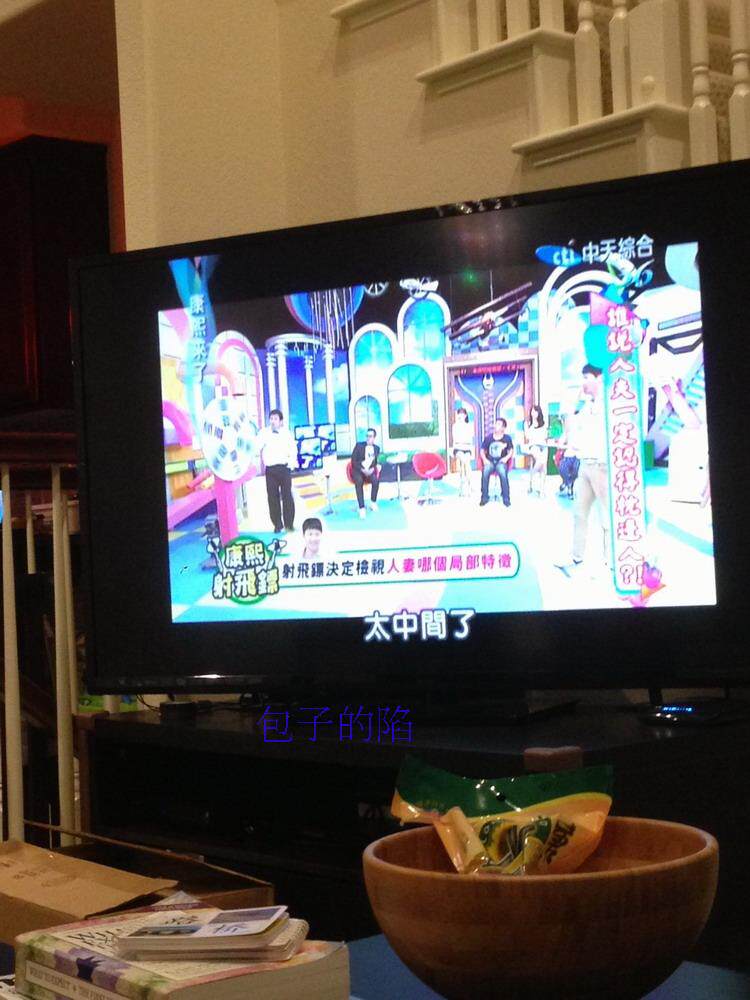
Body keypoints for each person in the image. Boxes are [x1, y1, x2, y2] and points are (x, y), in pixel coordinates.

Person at [557, 364, 609, 572]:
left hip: (603, 466)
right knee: (579, 513)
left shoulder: (609, 403)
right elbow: (572, 434)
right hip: (585, 465)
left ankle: (611, 560)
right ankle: (576, 556)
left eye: (587, 377)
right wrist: (569, 409)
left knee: (607, 517)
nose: (583, 382)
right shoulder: (586, 406)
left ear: (599, 379)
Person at [254, 409, 296, 533]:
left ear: (281, 421)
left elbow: (293, 449)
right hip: (271, 470)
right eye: (271, 419)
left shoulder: (287, 434)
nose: (273, 421)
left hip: (284, 468)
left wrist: (291, 464)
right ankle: (277, 524)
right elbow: (256, 447)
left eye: (275, 419)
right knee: (272, 498)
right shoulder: (264, 433)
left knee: (287, 496)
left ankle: (289, 524)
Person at [479, 418, 514, 507]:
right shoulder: (488, 438)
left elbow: (510, 451)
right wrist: (484, 460)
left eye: (498, 424)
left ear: (503, 428)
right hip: (490, 461)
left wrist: (506, 458)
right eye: (496, 424)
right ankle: (484, 497)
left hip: (501, 462)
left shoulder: (507, 438)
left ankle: (506, 498)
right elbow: (482, 450)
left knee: (502, 471)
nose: (495, 426)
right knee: (485, 471)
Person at [351, 428, 380, 519]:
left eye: (370, 436)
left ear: (374, 438)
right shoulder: (359, 446)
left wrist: (372, 469)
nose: (368, 438)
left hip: (369, 470)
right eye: (367, 436)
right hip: (358, 470)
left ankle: (373, 502)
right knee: (359, 481)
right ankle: (361, 508)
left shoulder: (377, 448)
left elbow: (375, 462)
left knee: (375, 481)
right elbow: (353, 461)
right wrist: (362, 469)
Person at [524, 404, 548, 497]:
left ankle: (542, 490)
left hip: (543, 445)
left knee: (544, 467)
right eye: (532, 411)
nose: (534, 413)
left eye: (536, 411)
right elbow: (528, 436)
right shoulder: (527, 423)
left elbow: (545, 436)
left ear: (539, 413)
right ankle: (530, 477)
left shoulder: (543, 424)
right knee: (541, 461)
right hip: (533, 446)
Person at [451, 407, 474, 497]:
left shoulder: (469, 426)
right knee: (463, 460)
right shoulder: (455, 426)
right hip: (458, 448)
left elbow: (470, 439)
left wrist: (470, 448)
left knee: (466, 463)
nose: (460, 417)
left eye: (462, 415)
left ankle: (469, 485)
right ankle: (463, 484)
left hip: (467, 447)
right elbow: (455, 438)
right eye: (459, 415)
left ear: (465, 416)